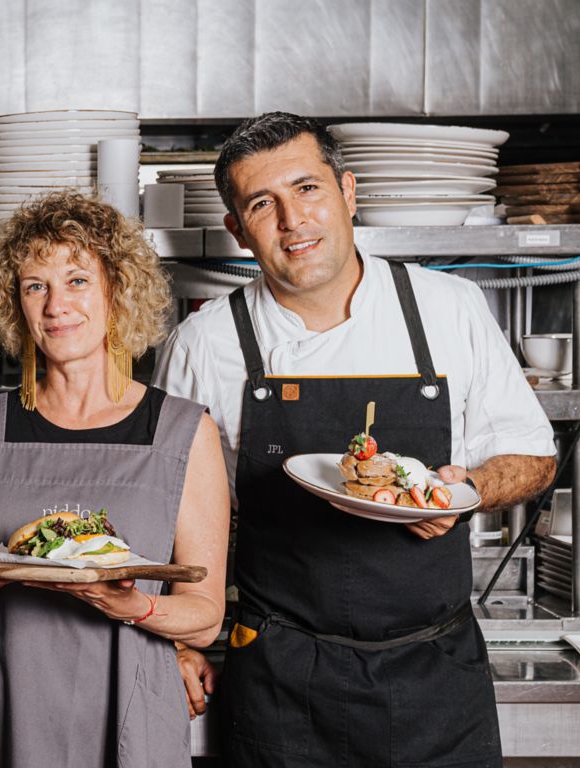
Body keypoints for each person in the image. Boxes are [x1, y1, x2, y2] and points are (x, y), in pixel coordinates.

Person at [154, 111, 557, 767]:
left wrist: (466, 491)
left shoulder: (447, 308)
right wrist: (176, 641)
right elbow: (170, 514)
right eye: (263, 203)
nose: (292, 220)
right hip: (281, 677)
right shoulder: (205, 345)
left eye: (307, 189)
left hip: (437, 676)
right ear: (236, 228)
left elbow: (535, 458)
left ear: (347, 192)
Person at [0, 191, 230, 767]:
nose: (55, 304)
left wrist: (129, 606)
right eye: (35, 285)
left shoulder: (183, 432)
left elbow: (205, 614)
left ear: (119, 290)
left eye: (77, 280)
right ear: (15, 303)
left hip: (128, 712)